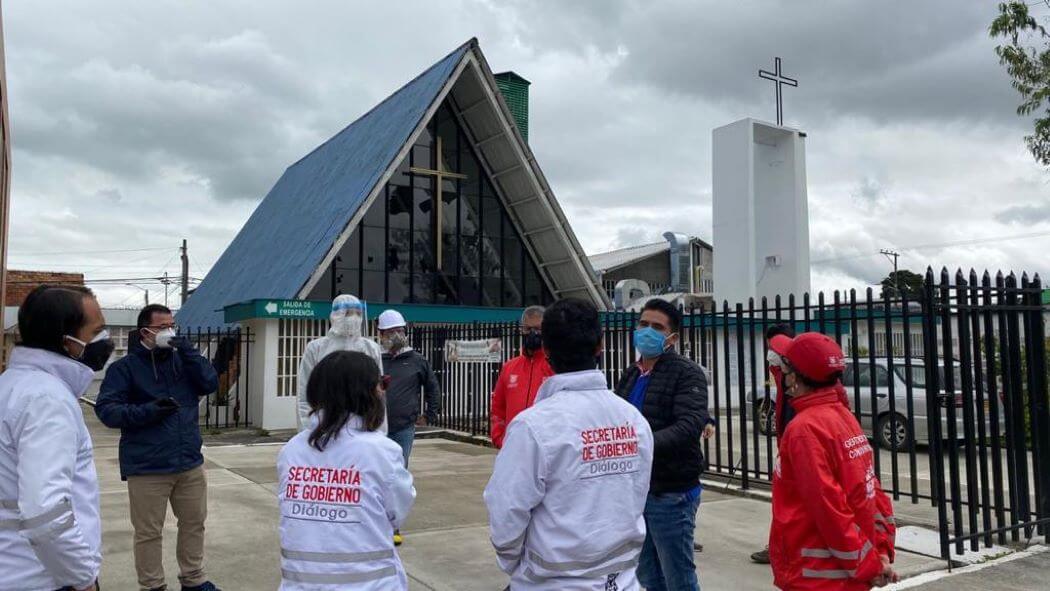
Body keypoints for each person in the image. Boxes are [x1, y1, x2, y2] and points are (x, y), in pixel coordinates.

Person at [484, 298, 654, 590]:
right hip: (621, 581)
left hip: (551, 582)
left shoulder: (533, 427)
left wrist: (516, 565)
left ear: (546, 350)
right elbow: (635, 497)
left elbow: (506, 512)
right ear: (600, 346)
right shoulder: (634, 421)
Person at [95, 304, 221, 591]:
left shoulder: (183, 362)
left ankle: (194, 579)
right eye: (162, 327)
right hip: (147, 465)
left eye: (172, 326)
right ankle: (152, 585)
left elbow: (209, 382)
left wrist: (188, 351)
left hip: (189, 461)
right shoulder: (124, 369)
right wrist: (149, 411)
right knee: (148, 532)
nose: (169, 332)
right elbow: (108, 411)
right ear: (145, 332)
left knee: (194, 524)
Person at [0, 285, 111, 591]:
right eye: (97, 331)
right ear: (69, 342)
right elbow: (45, 512)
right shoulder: (47, 399)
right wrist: (83, 577)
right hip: (41, 577)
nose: (105, 340)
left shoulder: (11, 385)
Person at [278, 350, 415, 591]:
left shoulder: (291, 450)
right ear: (366, 393)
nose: (384, 391)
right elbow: (397, 513)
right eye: (382, 384)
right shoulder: (383, 451)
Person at [770, 332, 898, 590]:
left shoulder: (803, 429)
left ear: (794, 376)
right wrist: (880, 552)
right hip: (841, 573)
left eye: (785, 368)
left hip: (817, 576)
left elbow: (829, 508)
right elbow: (871, 492)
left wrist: (869, 566)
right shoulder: (843, 417)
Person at [614, 298, 709, 591]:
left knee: (677, 575)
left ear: (672, 338)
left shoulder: (686, 372)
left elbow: (689, 425)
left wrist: (639, 445)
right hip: (636, 489)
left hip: (671, 491)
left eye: (657, 327)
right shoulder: (632, 373)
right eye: (643, 324)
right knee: (646, 574)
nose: (647, 331)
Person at [377, 309, 439, 546]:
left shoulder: (416, 359)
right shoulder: (373, 357)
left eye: (400, 330)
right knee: (374, 474)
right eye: (391, 331)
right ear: (380, 332)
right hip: (374, 428)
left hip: (403, 429)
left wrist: (430, 413)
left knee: (396, 476)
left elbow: (432, 387)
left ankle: (394, 525)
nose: (397, 335)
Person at [296, 294, 384, 432]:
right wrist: (308, 431)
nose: (354, 318)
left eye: (358, 313)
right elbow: (304, 393)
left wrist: (380, 431)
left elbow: (379, 393)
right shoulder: (316, 348)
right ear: (336, 314)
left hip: (362, 426)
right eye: (348, 313)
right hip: (325, 425)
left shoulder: (371, 348)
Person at [750, 323, 795, 565]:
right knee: (784, 501)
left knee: (788, 501)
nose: (770, 352)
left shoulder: (796, 376)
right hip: (787, 446)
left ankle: (782, 548)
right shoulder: (781, 373)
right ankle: (779, 546)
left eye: (773, 346)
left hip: (795, 448)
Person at [488, 305, 552, 448]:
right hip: (513, 446)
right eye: (528, 329)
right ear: (521, 330)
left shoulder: (555, 366)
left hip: (545, 447)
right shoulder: (509, 367)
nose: (532, 333)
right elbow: (498, 406)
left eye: (538, 329)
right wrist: (499, 437)